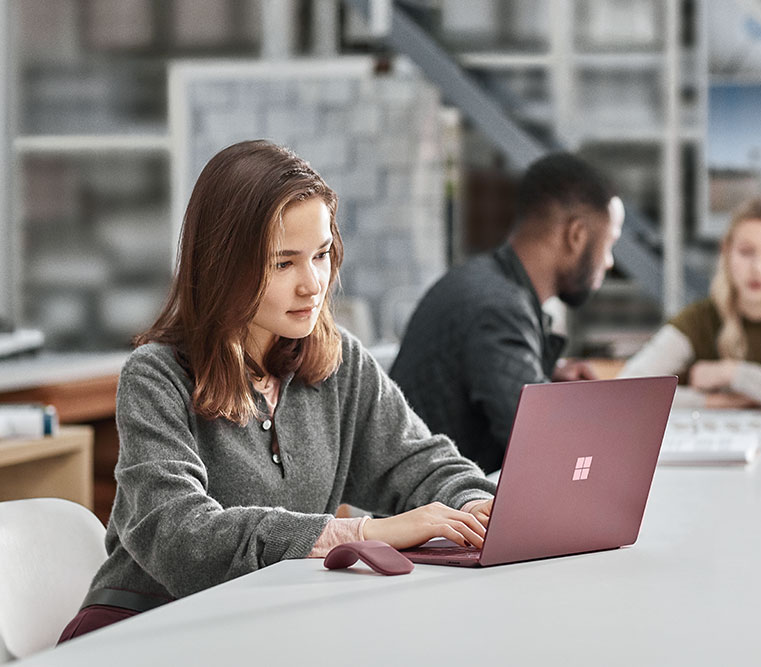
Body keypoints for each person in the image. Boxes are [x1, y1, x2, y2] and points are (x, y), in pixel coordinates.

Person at [59, 140, 495, 641]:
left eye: (322, 254)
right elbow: (179, 535)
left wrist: (478, 511)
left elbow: (418, 465)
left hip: (269, 623)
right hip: (146, 628)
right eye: (282, 263)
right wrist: (359, 534)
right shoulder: (155, 375)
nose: (313, 284)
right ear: (222, 264)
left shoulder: (339, 361)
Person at [390, 153, 624, 474]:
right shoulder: (498, 308)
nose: (609, 262)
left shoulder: (486, 282)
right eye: (609, 244)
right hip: (440, 516)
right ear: (576, 235)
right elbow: (545, 448)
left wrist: (544, 376)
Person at [619, 195, 761, 410]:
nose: (757, 268)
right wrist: (714, 401)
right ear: (726, 252)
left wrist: (731, 373)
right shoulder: (700, 318)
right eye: (746, 252)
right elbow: (628, 388)